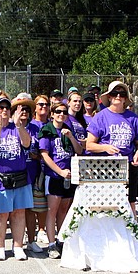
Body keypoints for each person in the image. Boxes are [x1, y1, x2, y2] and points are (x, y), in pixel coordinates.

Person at [0, 97, 33, 261]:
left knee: (19, 213)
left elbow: (27, 144)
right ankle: (0, 246)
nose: (4, 110)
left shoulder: (17, 128)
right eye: (0, 107)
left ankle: (18, 246)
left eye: (7, 107)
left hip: (19, 177)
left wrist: (19, 126)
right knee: (1, 214)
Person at [86, 81, 138, 218]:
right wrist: (105, 147)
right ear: (110, 97)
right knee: (108, 202)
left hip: (129, 164)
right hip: (107, 165)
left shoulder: (133, 118)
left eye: (122, 94)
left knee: (130, 201)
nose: (118, 96)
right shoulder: (101, 117)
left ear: (125, 98)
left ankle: (132, 231)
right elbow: (89, 145)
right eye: (115, 93)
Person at [38, 102, 83, 258]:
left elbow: (79, 150)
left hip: (69, 176)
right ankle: (51, 244)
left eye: (64, 112)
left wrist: (71, 137)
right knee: (52, 210)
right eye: (58, 111)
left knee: (64, 209)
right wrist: (60, 172)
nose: (61, 114)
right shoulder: (47, 130)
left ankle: (61, 239)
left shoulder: (68, 130)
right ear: (52, 113)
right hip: (55, 176)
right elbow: (45, 155)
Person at [29, 94, 50, 247]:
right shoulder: (30, 125)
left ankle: (41, 230)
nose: (43, 107)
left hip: (46, 168)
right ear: (35, 107)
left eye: (46, 104)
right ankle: (27, 231)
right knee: (28, 202)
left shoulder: (52, 125)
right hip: (29, 167)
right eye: (40, 104)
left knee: (42, 201)